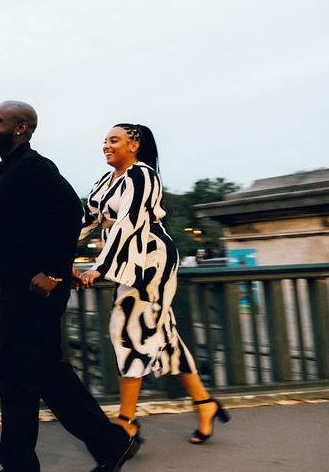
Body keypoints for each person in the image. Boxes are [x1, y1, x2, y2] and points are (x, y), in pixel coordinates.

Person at [0, 101, 139, 472]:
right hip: (23, 290)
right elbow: (42, 226)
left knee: (15, 378)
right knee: (48, 374)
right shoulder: (9, 168)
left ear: (21, 128)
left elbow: (70, 213)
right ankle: (110, 443)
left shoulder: (34, 167)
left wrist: (54, 271)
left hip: (32, 293)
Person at [78, 123, 231, 444]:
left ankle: (127, 421)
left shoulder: (143, 176)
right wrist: (52, 251)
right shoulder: (108, 180)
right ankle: (204, 402)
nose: (106, 145)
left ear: (134, 145)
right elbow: (87, 220)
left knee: (128, 329)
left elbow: (129, 222)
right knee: (163, 334)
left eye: (114, 140)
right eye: (105, 140)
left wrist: (100, 267)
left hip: (150, 260)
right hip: (132, 262)